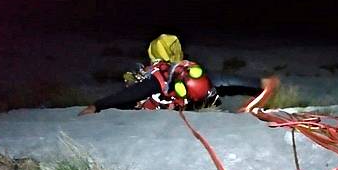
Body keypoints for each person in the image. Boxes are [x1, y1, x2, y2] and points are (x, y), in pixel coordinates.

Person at [78, 34, 278, 116]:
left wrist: (97, 105)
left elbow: (129, 95)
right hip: (181, 103)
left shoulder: (162, 76)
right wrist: (97, 106)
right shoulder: (172, 76)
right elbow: (127, 96)